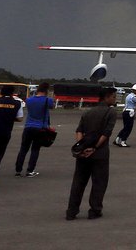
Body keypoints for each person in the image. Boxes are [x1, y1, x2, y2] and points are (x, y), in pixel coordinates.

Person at [66, 87, 118, 220]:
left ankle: (71, 211)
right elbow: (106, 133)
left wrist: (81, 147)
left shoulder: (88, 112)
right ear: (106, 97)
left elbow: (79, 131)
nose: (115, 99)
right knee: (99, 182)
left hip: (83, 154)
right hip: (99, 153)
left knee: (78, 182)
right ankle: (94, 210)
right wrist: (94, 148)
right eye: (113, 97)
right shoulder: (111, 112)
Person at [15, 82, 54, 177]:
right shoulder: (47, 100)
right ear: (46, 91)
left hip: (28, 126)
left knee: (23, 149)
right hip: (40, 127)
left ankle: (18, 170)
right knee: (35, 149)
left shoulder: (29, 100)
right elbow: (51, 107)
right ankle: (30, 170)